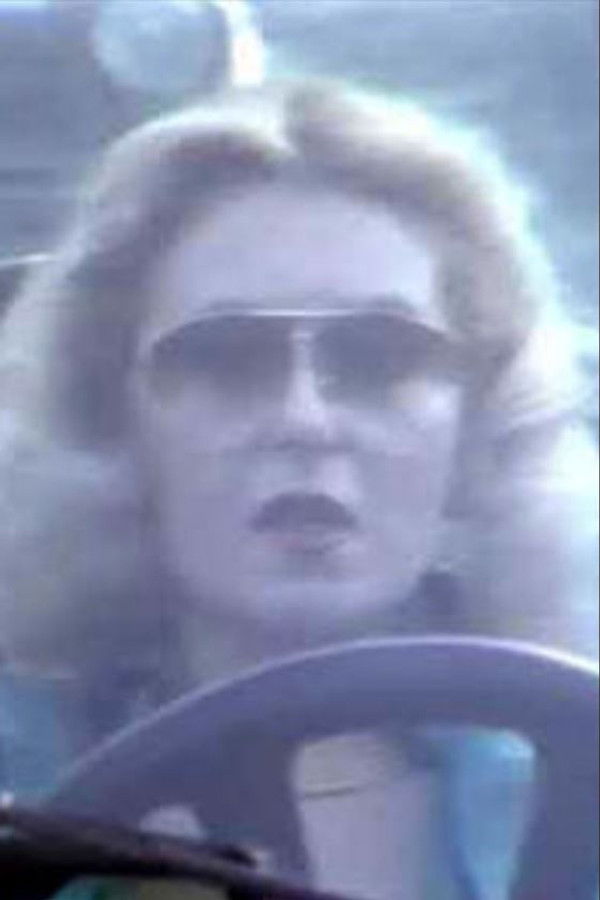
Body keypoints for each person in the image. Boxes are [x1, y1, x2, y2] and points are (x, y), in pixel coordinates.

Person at [0, 81, 597, 898]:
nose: (305, 419)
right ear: (114, 423)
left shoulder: (581, 788)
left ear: (477, 426)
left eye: (382, 356)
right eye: (223, 357)